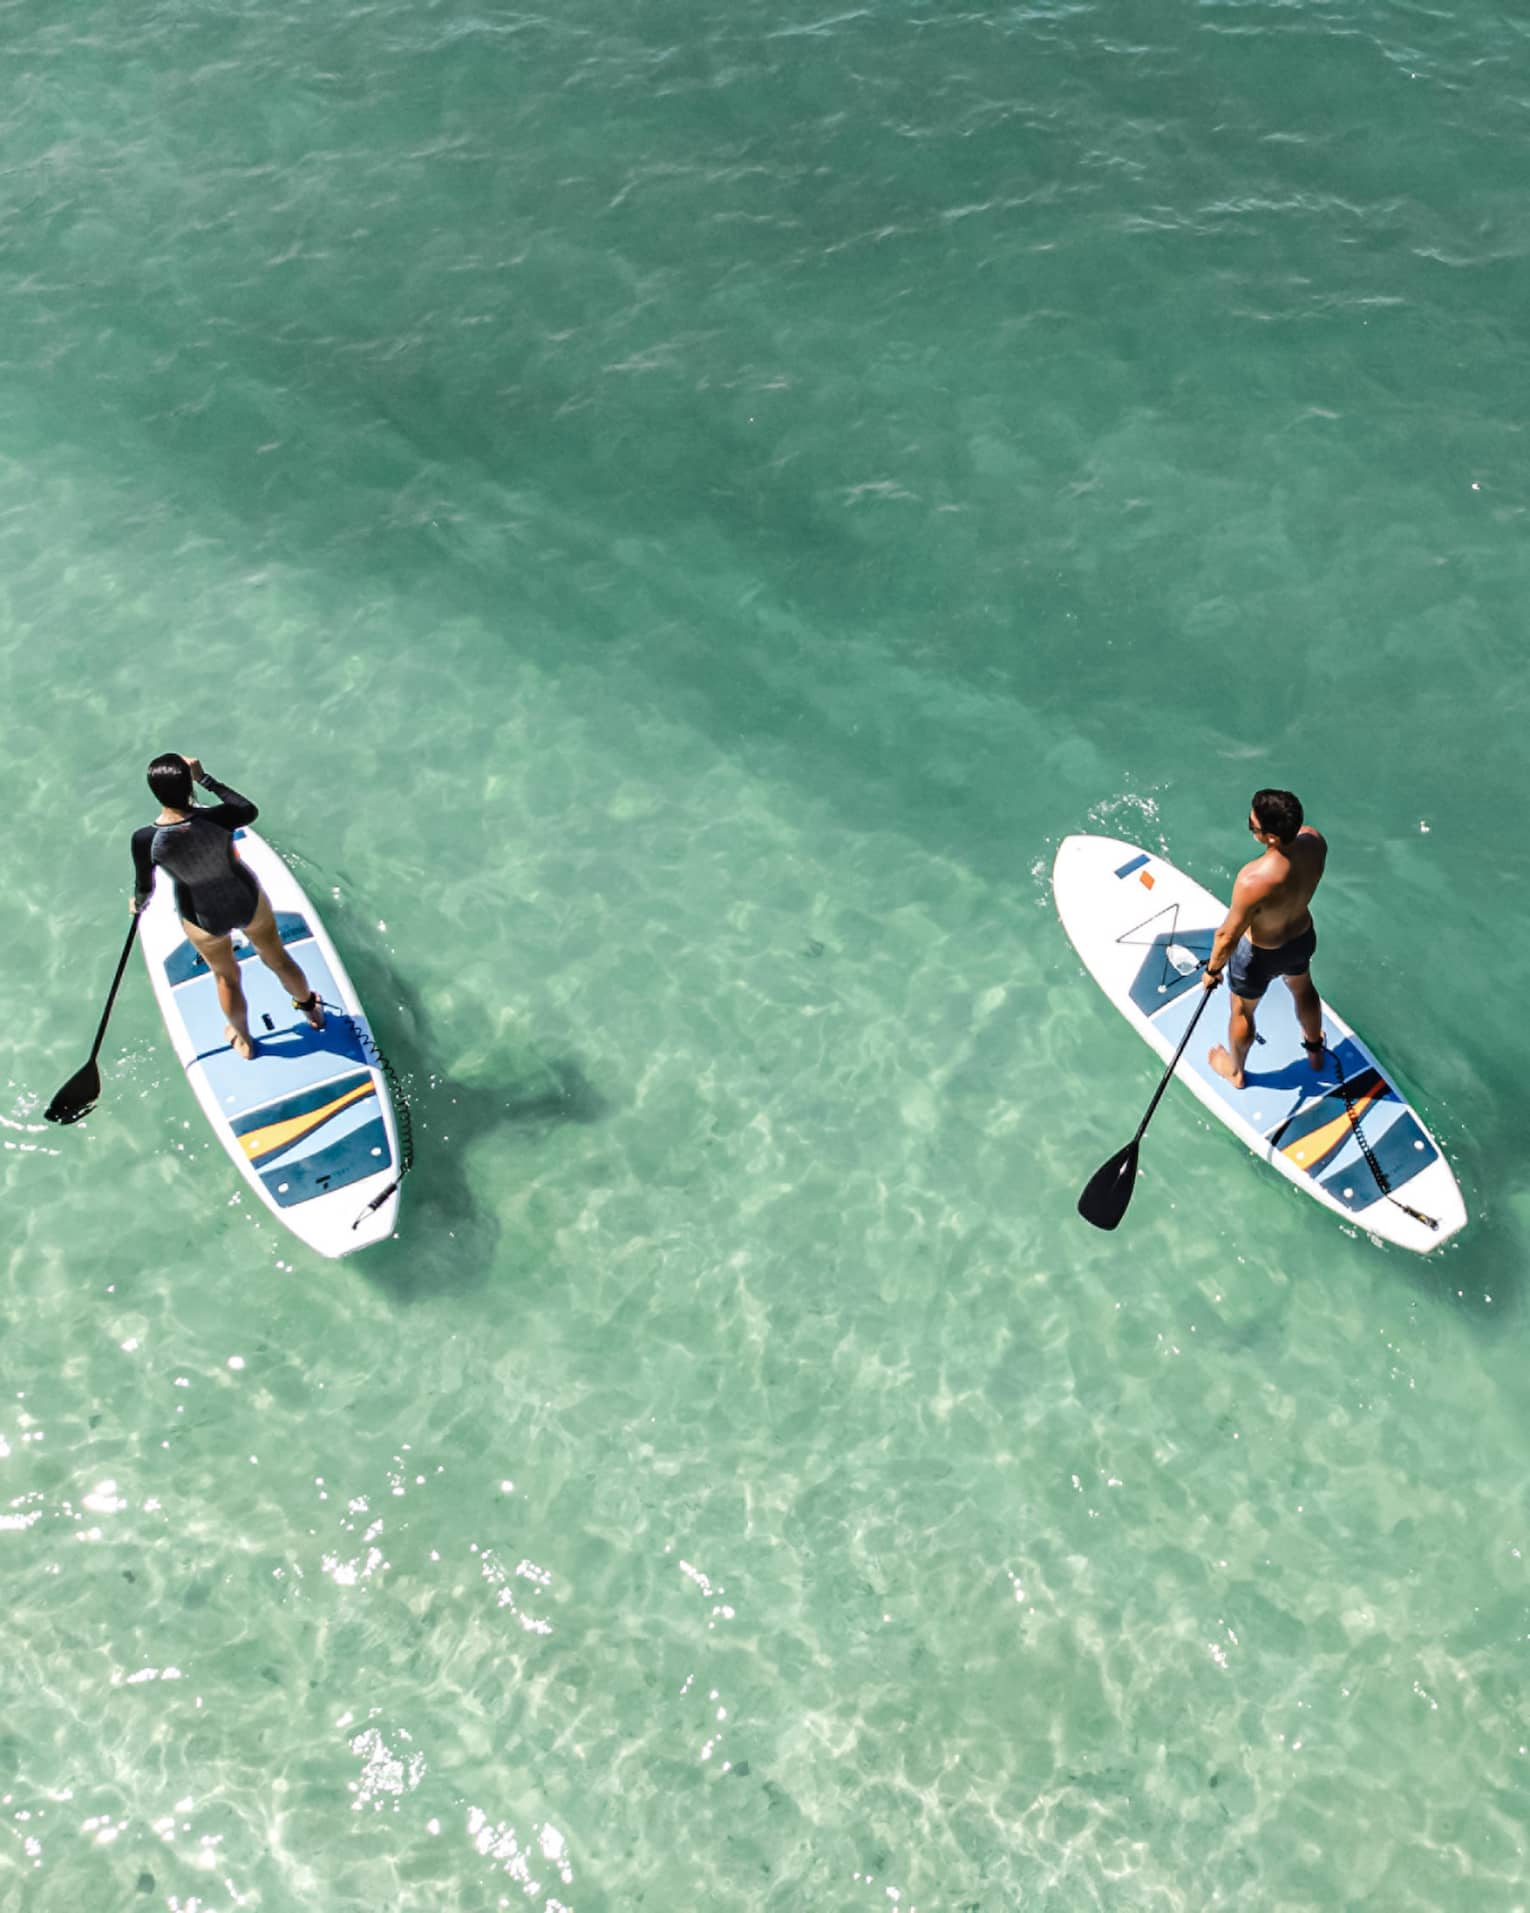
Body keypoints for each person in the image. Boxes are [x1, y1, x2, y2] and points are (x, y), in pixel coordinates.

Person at [131, 753, 323, 1061]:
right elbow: (248, 809)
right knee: (277, 957)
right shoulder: (219, 817)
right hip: (246, 899)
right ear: (187, 784)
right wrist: (205, 778)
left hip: (203, 917)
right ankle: (311, 1009)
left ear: (155, 791)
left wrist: (138, 904)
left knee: (226, 977)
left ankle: (243, 1039)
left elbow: (145, 886)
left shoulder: (146, 839)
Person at [1203, 789, 1326, 1090]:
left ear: (1270, 837)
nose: (1250, 826)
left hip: (1259, 955)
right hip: (1300, 938)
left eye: (1253, 825)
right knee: (1303, 988)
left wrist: (1212, 971)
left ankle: (1236, 1073)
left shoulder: (1253, 880)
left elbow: (1227, 935)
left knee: (1242, 1011)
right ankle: (1315, 1052)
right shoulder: (1315, 842)